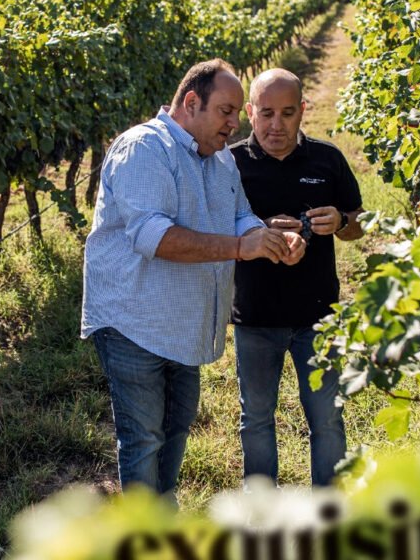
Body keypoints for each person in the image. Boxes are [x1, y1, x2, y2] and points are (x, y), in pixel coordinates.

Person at [81, 59, 306, 499]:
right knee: (144, 440)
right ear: (191, 102)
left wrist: (269, 238)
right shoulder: (144, 149)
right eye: (226, 110)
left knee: (175, 432)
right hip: (134, 322)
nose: (234, 123)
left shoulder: (220, 159)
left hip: (183, 323)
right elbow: (155, 237)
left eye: (238, 113)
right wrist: (241, 247)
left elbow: (239, 215)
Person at [226, 68, 364, 487]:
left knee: (327, 419)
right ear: (250, 112)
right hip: (255, 315)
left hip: (318, 314)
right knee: (256, 420)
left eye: (288, 113)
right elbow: (212, 227)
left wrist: (340, 220)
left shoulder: (327, 159)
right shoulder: (229, 164)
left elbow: (359, 223)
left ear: (303, 111)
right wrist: (256, 231)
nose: (276, 125)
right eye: (266, 113)